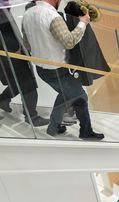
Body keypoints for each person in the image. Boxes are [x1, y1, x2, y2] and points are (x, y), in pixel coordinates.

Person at [22, 0, 104, 140]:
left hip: (41, 68)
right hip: (58, 69)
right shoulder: (52, 16)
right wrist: (83, 22)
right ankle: (85, 131)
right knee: (80, 97)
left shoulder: (27, 14)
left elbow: (27, 43)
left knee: (66, 94)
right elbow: (69, 41)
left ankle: (54, 126)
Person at [0, 9, 49, 126]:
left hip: (12, 54)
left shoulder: (3, 8)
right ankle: (32, 117)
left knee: (18, 83)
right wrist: (14, 51)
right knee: (29, 85)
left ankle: (2, 100)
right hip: (12, 55)